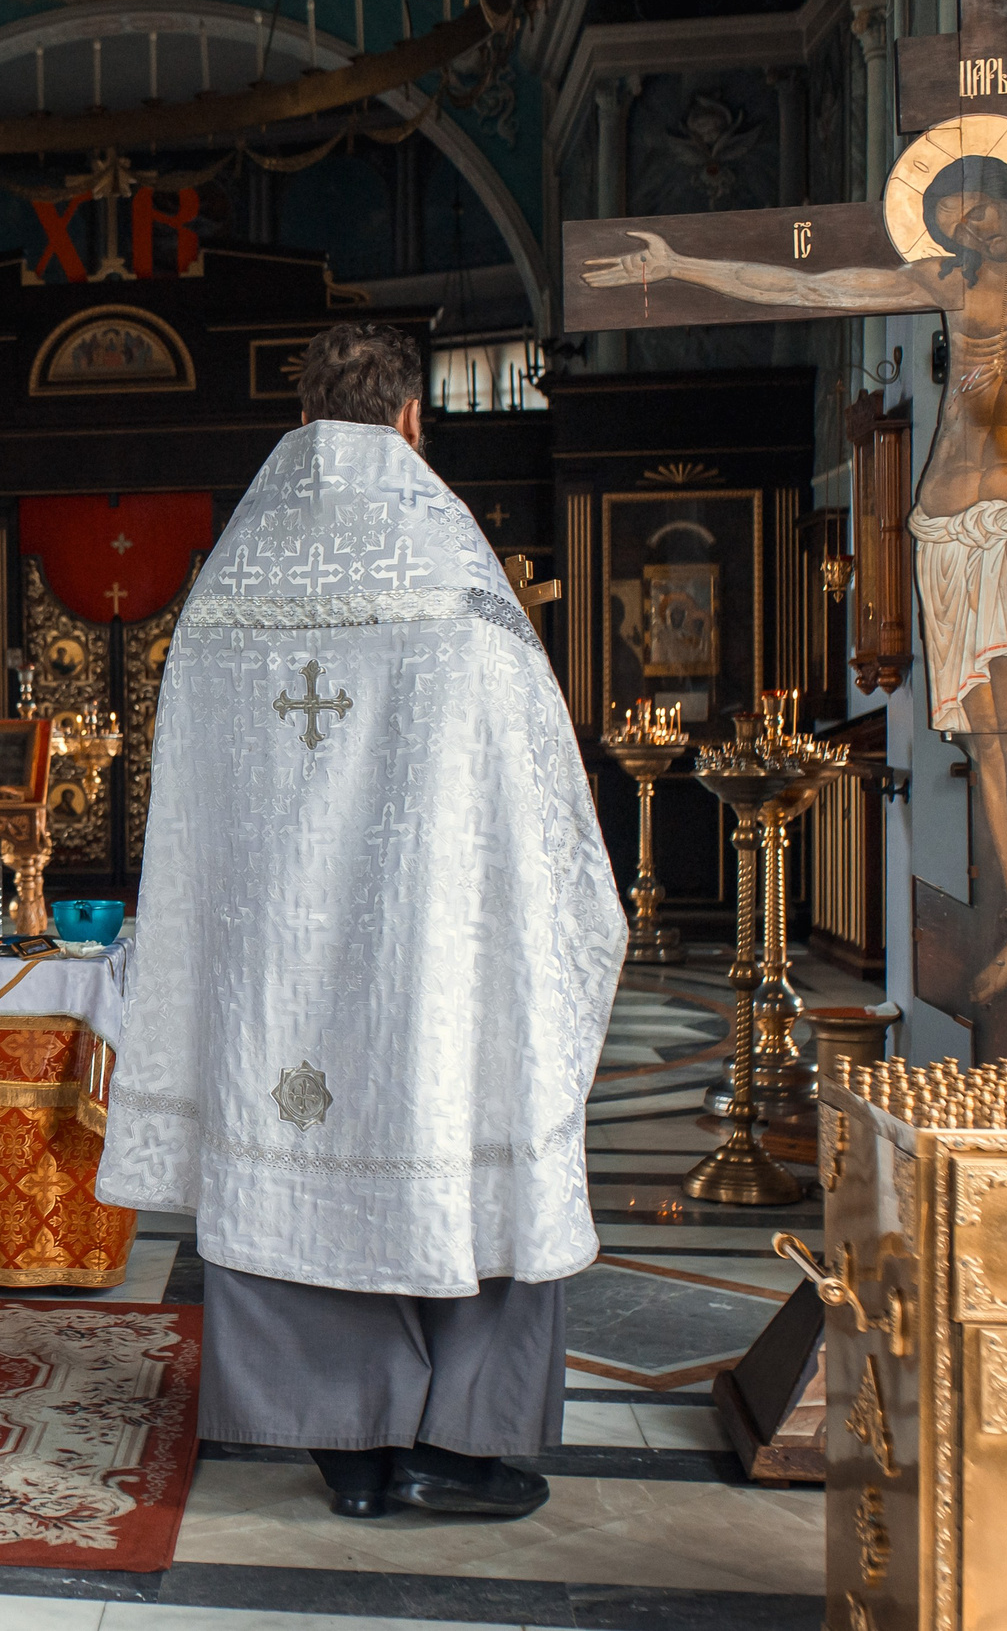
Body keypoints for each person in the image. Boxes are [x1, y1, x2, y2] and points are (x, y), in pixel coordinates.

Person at [97, 323, 624, 1521]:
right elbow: (537, 800)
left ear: (300, 417)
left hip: (274, 980)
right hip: (429, 976)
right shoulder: (453, 575)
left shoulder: (231, 581)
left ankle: (346, 1447)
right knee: (464, 1141)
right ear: (409, 421)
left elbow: (188, 816)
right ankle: (459, 1449)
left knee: (290, 1154)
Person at [581, 146, 1007, 1048]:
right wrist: (681, 265)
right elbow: (808, 287)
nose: (969, 231)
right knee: (985, 739)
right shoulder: (942, 283)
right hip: (946, 526)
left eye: (977, 211)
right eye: (951, 223)